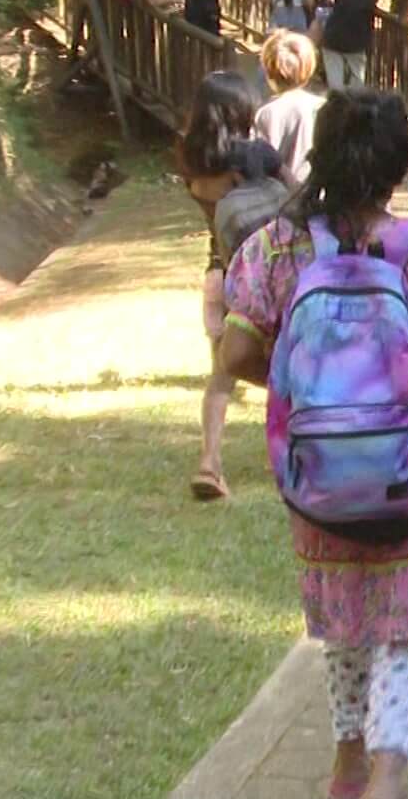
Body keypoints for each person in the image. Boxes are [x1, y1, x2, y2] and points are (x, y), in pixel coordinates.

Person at [219, 89, 408, 799]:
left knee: (344, 625)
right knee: (403, 633)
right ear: (397, 170)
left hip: (316, 480)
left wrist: (305, 394)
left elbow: (233, 353)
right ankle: (385, 777)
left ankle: (348, 763)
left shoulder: (277, 249)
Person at [177, 71, 283, 501]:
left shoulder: (189, 157)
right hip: (261, 274)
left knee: (220, 376)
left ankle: (210, 462)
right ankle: (287, 453)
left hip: (216, 275)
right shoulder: (249, 159)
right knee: (285, 364)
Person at [253, 31, 325, 192]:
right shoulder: (322, 107)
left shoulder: (267, 113)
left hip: (277, 199)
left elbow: (260, 163)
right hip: (315, 195)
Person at [322, 0, 379, 89]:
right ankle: (353, 106)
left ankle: (337, 104)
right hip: (356, 44)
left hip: (333, 40)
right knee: (357, 83)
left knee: (335, 84)